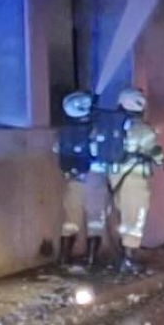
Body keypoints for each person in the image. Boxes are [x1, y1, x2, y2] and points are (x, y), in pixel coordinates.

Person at [107, 88, 164, 275]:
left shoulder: (111, 127)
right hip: (135, 180)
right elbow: (155, 153)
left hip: (115, 179)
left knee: (124, 216)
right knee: (135, 219)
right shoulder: (143, 130)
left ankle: (124, 256)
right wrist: (160, 159)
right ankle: (128, 260)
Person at [55, 91, 100, 266]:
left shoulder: (64, 132)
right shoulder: (93, 130)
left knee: (71, 219)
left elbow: (56, 149)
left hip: (73, 181)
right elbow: (100, 151)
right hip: (94, 180)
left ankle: (64, 258)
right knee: (95, 219)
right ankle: (91, 260)